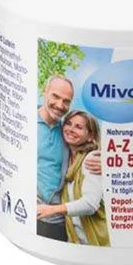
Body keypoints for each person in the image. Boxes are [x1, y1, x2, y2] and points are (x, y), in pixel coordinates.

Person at [36, 74, 100, 241]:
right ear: (45, 91)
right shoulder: (26, 122)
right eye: (55, 96)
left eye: (66, 101)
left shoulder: (65, 131)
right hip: (29, 211)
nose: (60, 105)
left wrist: (109, 164)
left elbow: (90, 145)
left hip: (59, 220)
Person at [36, 110, 109, 246]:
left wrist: (51, 209)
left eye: (79, 127)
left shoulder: (91, 159)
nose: (71, 129)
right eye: (68, 123)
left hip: (95, 241)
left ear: (90, 136)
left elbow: (90, 204)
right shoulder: (67, 158)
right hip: (75, 239)